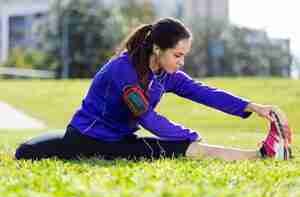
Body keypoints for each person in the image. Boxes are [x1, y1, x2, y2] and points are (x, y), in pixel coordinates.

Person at [15, 17, 292, 161]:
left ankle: (264, 154)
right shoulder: (123, 72)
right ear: (157, 49)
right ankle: (261, 156)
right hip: (91, 139)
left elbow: (203, 92)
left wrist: (252, 106)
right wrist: (188, 136)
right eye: (177, 55)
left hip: (120, 138)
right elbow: (148, 119)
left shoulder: (165, 72)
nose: (181, 61)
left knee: (181, 147)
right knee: (181, 148)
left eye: (184, 56)